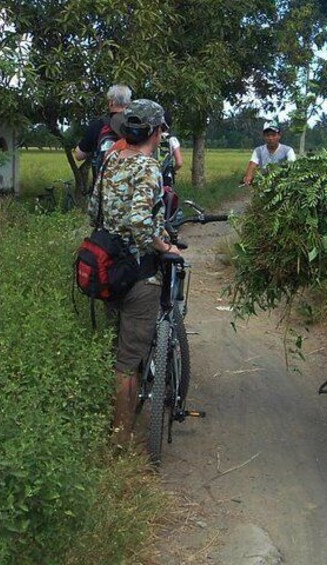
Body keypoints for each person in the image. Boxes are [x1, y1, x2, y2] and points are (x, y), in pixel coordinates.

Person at [89, 99, 181, 444]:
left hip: (109, 270)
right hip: (139, 274)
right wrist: (165, 246)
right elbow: (142, 224)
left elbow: (93, 210)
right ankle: (120, 439)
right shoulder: (148, 167)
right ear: (156, 132)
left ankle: (117, 424)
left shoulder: (111, 158)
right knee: (127, 362)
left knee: (117, 349)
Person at [74, 84, 132, 181]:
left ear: (111, 103)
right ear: (129, 103)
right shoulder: (136, 125)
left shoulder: (98, 125)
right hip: (131, 187)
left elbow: (79, 156)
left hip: (103, 188)